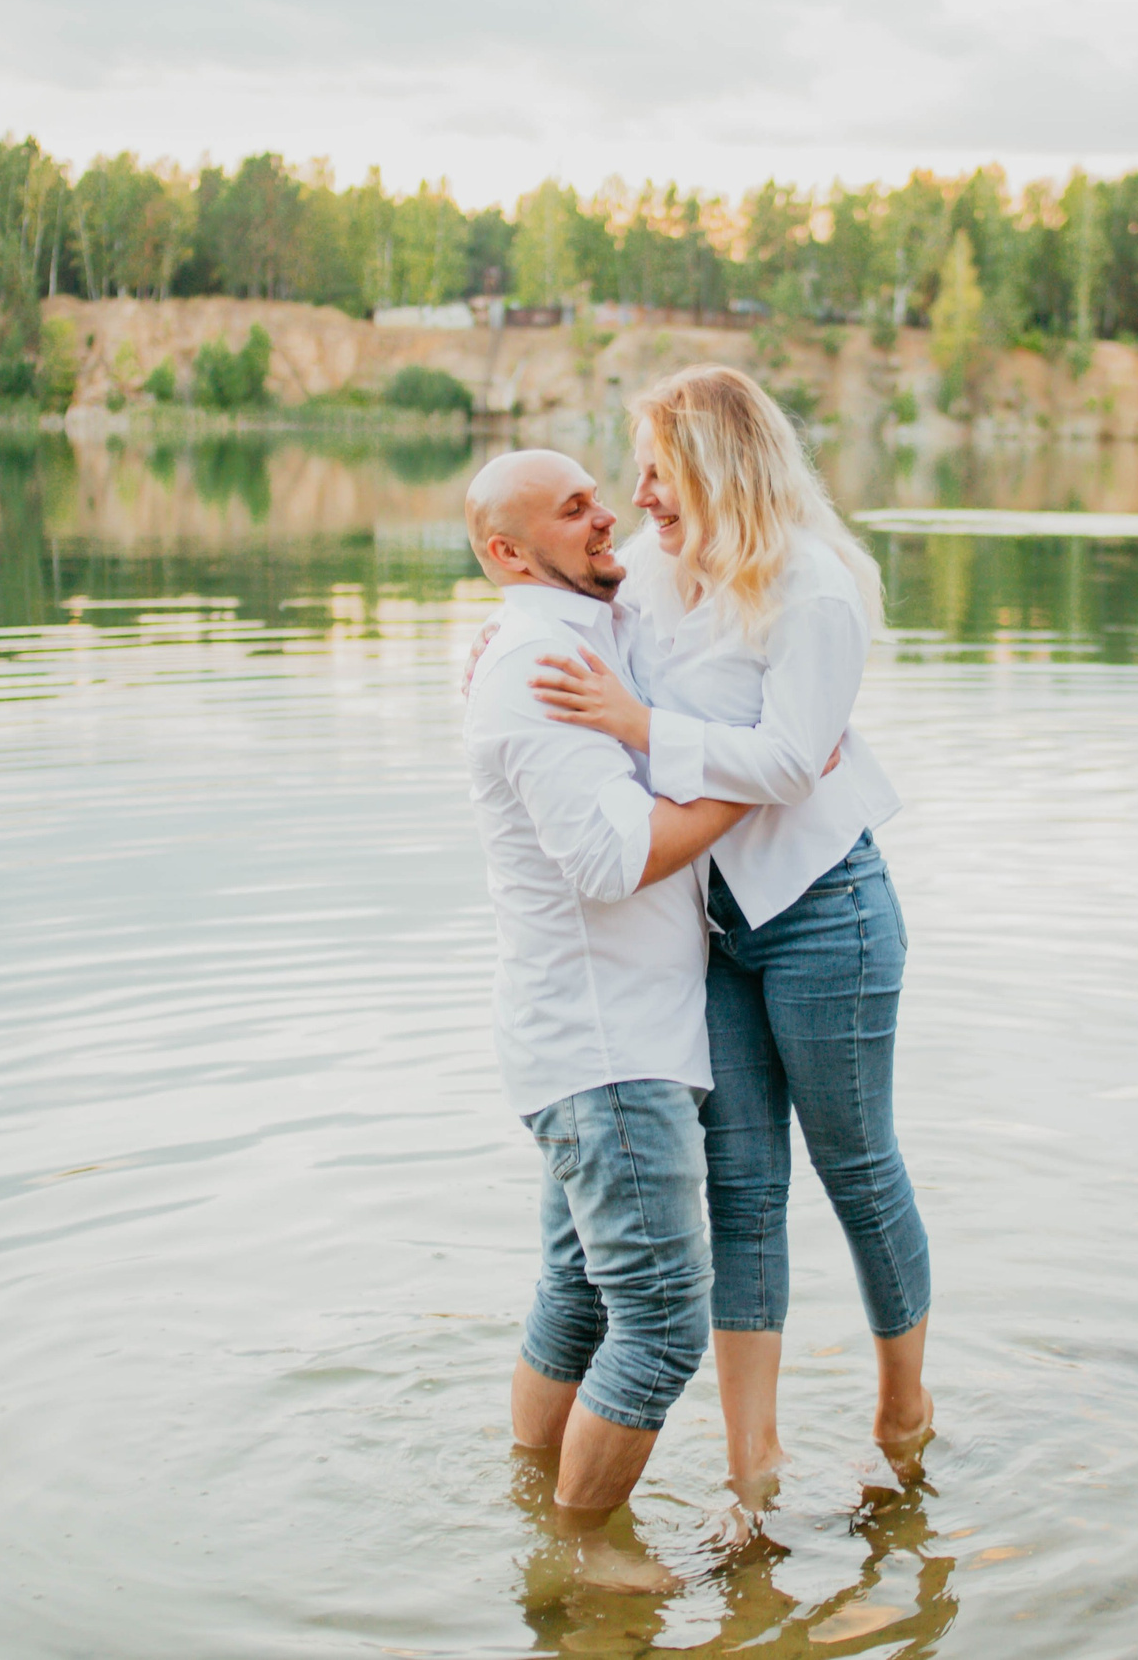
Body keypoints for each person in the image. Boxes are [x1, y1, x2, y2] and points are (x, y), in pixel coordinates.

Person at [529, 366, 932, 1503]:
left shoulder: (814, 588)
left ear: (715, 464)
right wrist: (498, 658)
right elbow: (569, 620)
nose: (640, 493)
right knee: (741, 1189)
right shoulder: (655, 573)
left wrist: (640, 725)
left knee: (856, 1171)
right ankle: (753, 1468)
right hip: (712, 924)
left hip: (826, 916)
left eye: (659, 466)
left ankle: (903, 1398)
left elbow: (796, 761)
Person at [461, 447, 754, 1591]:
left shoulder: (583, 626)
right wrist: (756, 780)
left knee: (578, 1298)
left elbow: (687, 582)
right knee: (665, 1322)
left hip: (590, 1039)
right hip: (605, 1055)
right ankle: (579, 1555)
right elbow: (610, 856)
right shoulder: (533, 664)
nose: (604, 519)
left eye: (598, 495)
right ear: (504, 552)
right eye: (572, 509)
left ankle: (537, 1500)